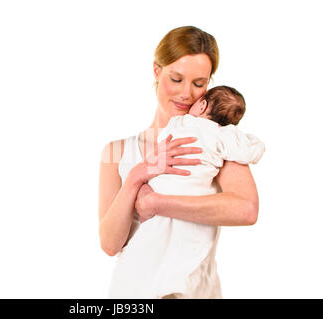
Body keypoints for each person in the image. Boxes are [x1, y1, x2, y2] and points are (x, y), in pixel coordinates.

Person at [98, 26, 260, 299]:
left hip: (195, 292)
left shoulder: (214, 141)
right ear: (156, 72)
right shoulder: (116, 151)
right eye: (176, 78)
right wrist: (138, 176)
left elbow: (246, 210)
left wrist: (158, 203)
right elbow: (110, 244)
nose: (187, 94)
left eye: (199, 83)